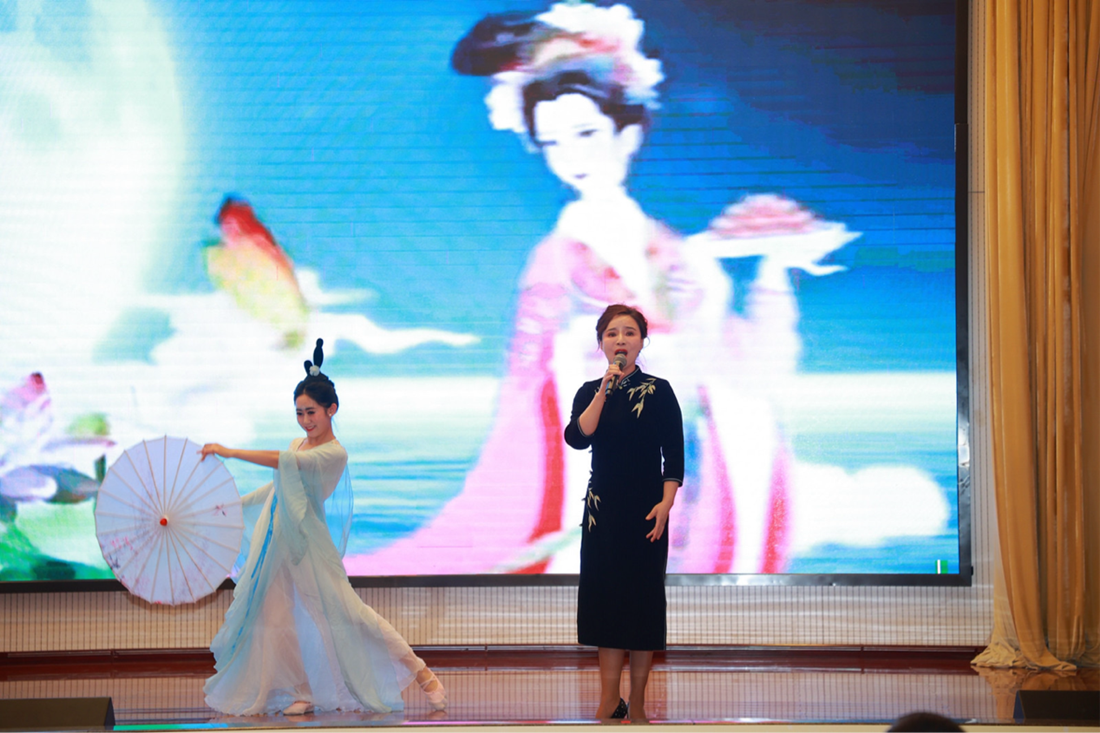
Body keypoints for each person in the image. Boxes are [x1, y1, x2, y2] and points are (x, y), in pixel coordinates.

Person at [345, 2, 854, 577]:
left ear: (627, 131)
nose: (575, 156)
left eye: (587, 132)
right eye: (554, 142)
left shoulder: (677, 253)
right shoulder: (558, 258)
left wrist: (771, 276)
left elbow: (744, 369)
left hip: (686, 459)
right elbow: (533, 377)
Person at [200, 339, 446, 716]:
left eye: (311, 412)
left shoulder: (333, 453)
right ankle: (304, 691)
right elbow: (277, 489)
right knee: (275, 619)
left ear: (332, 409)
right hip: (278, 543)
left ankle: (422, 672)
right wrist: (233, 506)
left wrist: (230, 451)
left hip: (308, 545)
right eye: (299, 413)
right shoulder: (298, 444)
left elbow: (285, 465)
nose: (305, 420)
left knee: (352, 615)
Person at [563, 304, 683, 720]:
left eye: (629, 333)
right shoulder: (589, 391)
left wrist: (666, 503)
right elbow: (577, 437)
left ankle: (640, 702)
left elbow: (674, 455)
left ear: (642, 342)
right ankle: (609, 699)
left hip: (647, 512)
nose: (620, 340)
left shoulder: (660, 390)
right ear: (601, 343)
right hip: (603, 514)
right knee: (607, 602)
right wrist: (604, 391)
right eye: (612, 333)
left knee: (642, 603)